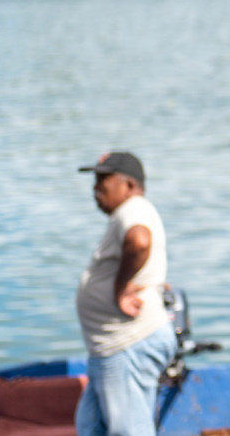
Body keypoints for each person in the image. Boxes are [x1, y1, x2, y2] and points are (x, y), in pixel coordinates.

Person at [74, 151, 176, 436]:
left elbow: (140, 242)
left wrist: (119, 289)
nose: (96, 188)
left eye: (104, 179)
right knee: (90, 427)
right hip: (110, 347)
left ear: (130, 185)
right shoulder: (128, 213)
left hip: (128, 343)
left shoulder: (134, 208)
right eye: (95, 180)